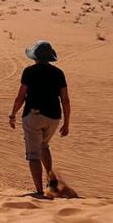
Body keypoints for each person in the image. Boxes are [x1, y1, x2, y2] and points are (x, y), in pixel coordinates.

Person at [9, 40, 70, 197]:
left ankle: (39, 191)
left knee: (33, 154)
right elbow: (65, 99)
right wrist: (66, 122)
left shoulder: (29, 71)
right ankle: (50, 180)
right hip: (54, 118)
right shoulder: (58, 73)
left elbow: (20, 97)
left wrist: (13, 114)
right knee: (44, 145)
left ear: (35, 57)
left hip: (33, 116)